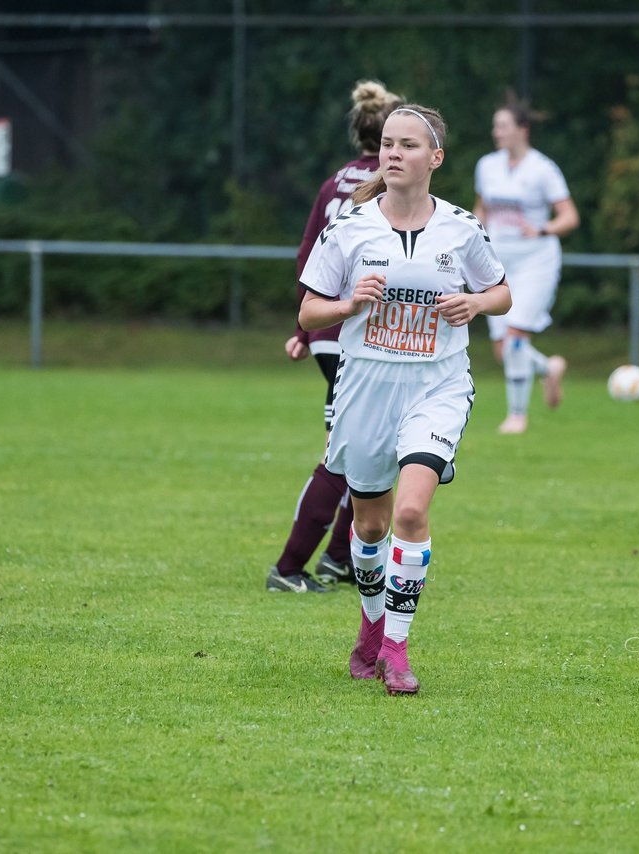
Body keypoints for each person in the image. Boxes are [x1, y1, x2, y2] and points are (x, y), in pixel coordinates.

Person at [298, 104, 512, 695]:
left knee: (411, 513)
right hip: (366, 384)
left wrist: (476, 304)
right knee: (368, 527)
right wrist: (346, 306)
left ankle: (397, 647)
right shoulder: (349, 228)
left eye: (409, 145)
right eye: (388, 143)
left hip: (437, 384)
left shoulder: (462, 228)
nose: (394, 153)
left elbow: (501, 291)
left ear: (434, 158)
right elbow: (308, 309)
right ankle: (370, 624)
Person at [266, 80, 406, 594]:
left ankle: (340, 558)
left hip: (330, 329)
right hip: (358, 333)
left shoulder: (335, 181)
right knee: (343, 454)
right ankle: (288, 568)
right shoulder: (395, 186)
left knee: (367, 450)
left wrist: (302, 326)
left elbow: (311, 257)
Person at [473, 95, 579, 434]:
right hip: (497, 263)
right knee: (505, 350)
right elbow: (482, 209)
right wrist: (473, 237)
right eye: (495, 126)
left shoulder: (542, 169)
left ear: (523, 129)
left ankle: (517, 416)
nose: (496, 132)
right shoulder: (487, 165)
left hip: (536, 261)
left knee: (516, 335)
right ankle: (548, 368)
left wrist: (543, 228)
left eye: (502, 126)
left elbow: (569, 216)